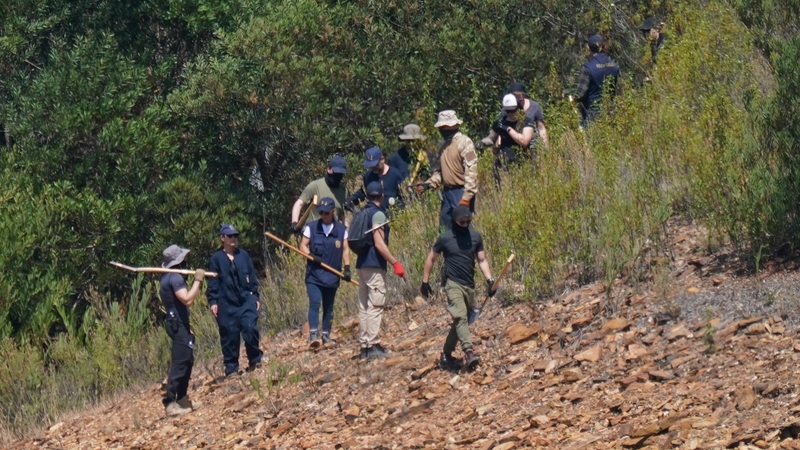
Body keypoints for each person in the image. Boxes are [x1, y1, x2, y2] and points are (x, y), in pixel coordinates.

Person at [420, 205, 495, 371]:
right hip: (452, 284)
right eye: (462, 222)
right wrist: (425, 282)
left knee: (461, 321)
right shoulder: (445, 238)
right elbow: (431, 258)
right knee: (460, 317)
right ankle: (468, 352)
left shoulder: (475, 237)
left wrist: (490, 280)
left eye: (468, 221)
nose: (466, 224)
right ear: (454, 222)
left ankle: (446, 354)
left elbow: (481, 260)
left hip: (469, 285)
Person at [355, 181, 406, 359]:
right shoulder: (377, 215)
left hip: (361, 264)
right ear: (382, 196)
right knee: (375, 305)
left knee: (364, 305)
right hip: (374, 265)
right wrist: (395, 263)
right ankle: (373, 345)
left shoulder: (362, 212)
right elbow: (379, 243)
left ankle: (365, 346)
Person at [207, 224, 263, 377]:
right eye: (230, 236)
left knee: (250, 328)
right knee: (229, 335)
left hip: (245, 300)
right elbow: (213, 283)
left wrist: (255, 296)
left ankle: (255, 359)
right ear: (222, 238)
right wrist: (213, 302)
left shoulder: (243, 255)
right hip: (226, 303)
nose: (233, 239)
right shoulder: (216, 259)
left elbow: (252, 278)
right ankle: (231, 368)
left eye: (235, 236)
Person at [160, 245, 205, 416]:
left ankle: (182, 398)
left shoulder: (169, 277)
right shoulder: (174, 278)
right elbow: (187, 299)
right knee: (180, 363)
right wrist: (198, 281)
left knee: (187, 359)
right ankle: (170, 402)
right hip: (177, 324)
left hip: (180, 324)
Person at [299, 197, 351, 348]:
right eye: (321, 212)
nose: (323, 215)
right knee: (315, 302)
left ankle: (326, 334)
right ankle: (313, 335)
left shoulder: (341, 230)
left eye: (326, 212)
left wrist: (347, 268)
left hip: (332, 274)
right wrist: (311, 256)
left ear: (333, 211)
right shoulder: (312, 227)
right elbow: (302, 246)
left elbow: (345, 249)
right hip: (314, 274)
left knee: (329, 306)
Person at [419, 110, 479, 229]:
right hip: (447, 193)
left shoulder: (464, 142)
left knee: (463, 229)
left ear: (455, 125)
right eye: (442, 127)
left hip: (461, 191)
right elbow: (439, 172)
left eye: (447, 127)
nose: (444, 130)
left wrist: (466, 198)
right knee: (445, 229)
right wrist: (428, 184)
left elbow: (471, 173)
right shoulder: (442, 145)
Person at [480, 82, 549, 152]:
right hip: (511, 142)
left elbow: (541, 128)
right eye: (514, 95)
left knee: (534, 144)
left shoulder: (534, 107)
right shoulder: (507, 109)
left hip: (530, 141)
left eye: (519, 95)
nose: (510, 113)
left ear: (523, 94)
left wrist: (546, 148)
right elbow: (500, 129)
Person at [290, 156, 348, 231]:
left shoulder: (343, 191)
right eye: (336, 173)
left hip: (332, 235)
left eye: (340, 174)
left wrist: (343, 233)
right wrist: (294, 222)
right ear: (329, 169)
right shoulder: (315, 186)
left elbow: (342, 215)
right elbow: (299, 203)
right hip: (312, 233)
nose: (337, 176)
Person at [573, 34, 620, 127]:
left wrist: (572, 98)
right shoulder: (614, 66)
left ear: (588, 48)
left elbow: (580, 94)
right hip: (610, 110)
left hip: (593, 112)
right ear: (604, 46)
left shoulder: (587, 68)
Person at [344, 146, 406, 212]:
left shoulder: (395, 175)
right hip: (373, 217)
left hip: (391, 217)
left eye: (375, 164)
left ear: (382, 159)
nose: (373, 167)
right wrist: (351, 200)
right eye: (370, 165)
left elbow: (404, 197)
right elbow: (364, 192)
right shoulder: (368, 176)